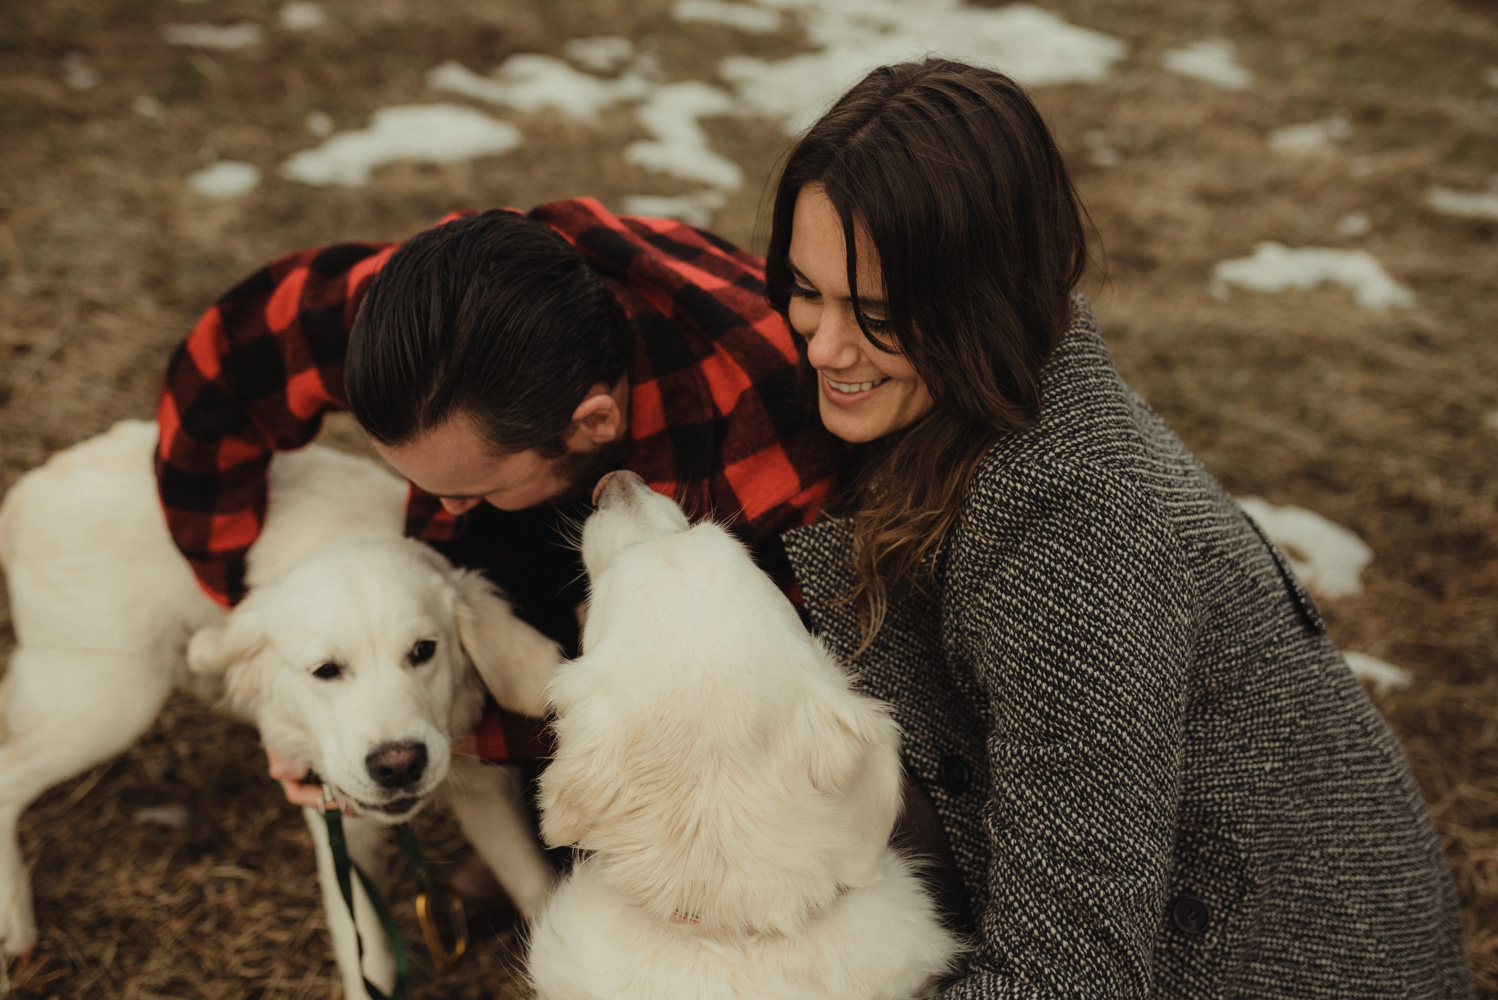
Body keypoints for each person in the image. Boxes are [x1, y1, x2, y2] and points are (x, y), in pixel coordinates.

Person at [764, 59, 1472, 997]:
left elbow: (1071, 974)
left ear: (984, 299)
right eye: (806, 289)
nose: (823, 345)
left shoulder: (1078, 529)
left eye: (878, 315)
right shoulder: (973, 407)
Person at [155, 199, 844, 802]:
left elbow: (740, 716)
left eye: (470, 488)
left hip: (718, 474)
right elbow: (220, 369)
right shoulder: (427, 317)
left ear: (592, 423)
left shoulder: (781, 457)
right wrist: (262, 618)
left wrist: (473, 735)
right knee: (491, 535)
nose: (444, 510)